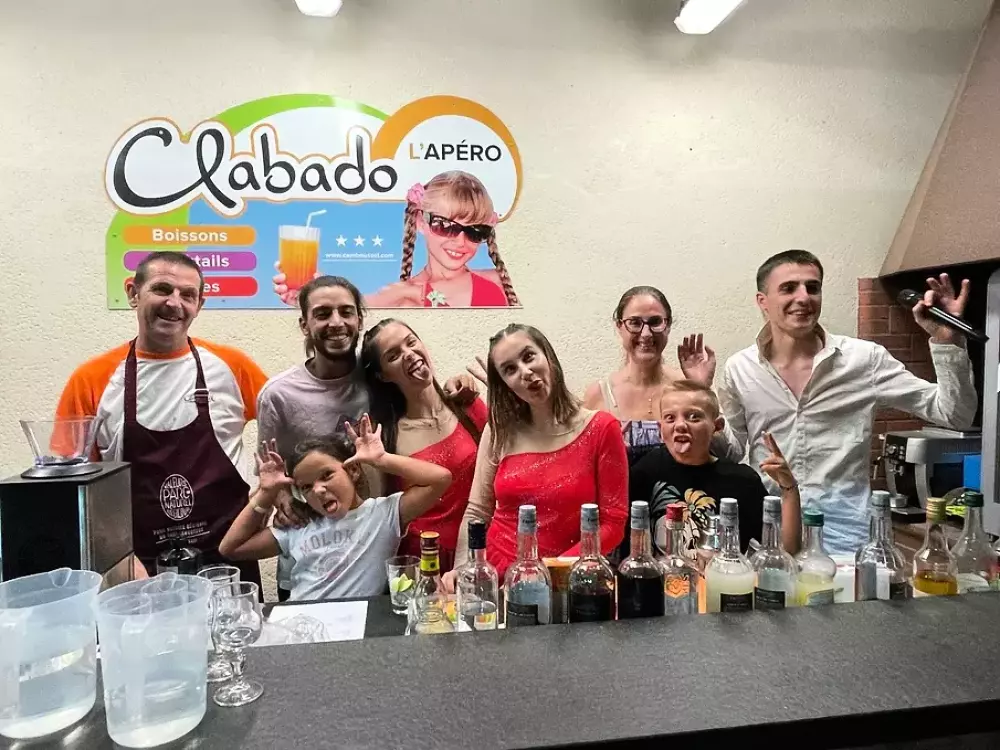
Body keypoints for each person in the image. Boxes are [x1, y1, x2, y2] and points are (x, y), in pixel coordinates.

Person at [718, 249, 978, 555]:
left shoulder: (864, 360)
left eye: (812, 287)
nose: (803, 297)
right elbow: (733, 451)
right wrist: (701, 416)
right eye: (788, 288)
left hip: (845, 539)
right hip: (768, 536)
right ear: (762, 301)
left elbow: (955, 415)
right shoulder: (740, 368)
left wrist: (947, 341)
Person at [257, 274, 479, 599]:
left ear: (359, 319)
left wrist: (455, 385)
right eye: (323, 314)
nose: (337, 322)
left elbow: (419, 393)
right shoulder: (278, 395)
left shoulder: (376, 379)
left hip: (371, 560)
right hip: (309, 560)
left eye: (346, 312)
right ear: (304, 324)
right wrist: (285, 500)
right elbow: (269, 473)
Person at [56, 251, 268, 583]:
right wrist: (116, 554)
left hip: (228, 561)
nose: (174, 303)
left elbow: (289, 429)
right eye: (162, 289)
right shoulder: (92, 379)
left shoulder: (233, 367)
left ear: (200, 304)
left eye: (188, 295)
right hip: (137, 569)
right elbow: (73, 487)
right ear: (133, 293)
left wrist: (271, 496)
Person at [445, 324, 629, 585]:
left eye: (528, 356)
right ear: (505, 384)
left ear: (548, 355)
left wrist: (548, 573)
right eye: (510, 370)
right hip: (499, 574)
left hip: (570, 579)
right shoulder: (499, 429)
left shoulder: (601, 428)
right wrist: (464, 569)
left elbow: (613, 524)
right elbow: (477, 511)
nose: (525, 371)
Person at [219, 416, 452, 601]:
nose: (318, 490)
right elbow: (231, 548)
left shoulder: (383, 514)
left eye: (326, 475)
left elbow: (440, 479)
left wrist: (381, 460)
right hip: (300, 622)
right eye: (306, 487)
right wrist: (266, 493)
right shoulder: (300, 523)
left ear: (353, 470)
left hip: (354, 627)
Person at [361, 319, 488, 571]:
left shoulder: (468, 406)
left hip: (478, 553)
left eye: (411, 342)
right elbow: (378, 518)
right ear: (383, 375)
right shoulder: (385, 440)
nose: (409, 354)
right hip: (424, 563)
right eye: (393, 355)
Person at [629, 380, 801, 559]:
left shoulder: (742, 480)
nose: (680, 425)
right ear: (660, 428)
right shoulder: (646, 470)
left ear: (717, 426)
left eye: (693, 417)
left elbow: (786, 553)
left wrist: (788, 488)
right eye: (670, 418)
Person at [583, 285, 736, 466]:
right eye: (635, 322)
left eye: (655, 322)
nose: (646, 333)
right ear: (619, 327)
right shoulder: (600, 395)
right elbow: (585, 464)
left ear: (668, 326)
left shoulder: (687, 385)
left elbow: (728, 454)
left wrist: (702, 389)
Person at [365, 171, 519, 308]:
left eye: (475, 231)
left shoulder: (501, 282)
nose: (460, 241)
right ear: (420, 221)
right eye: (446, 226)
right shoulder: (403, 299)